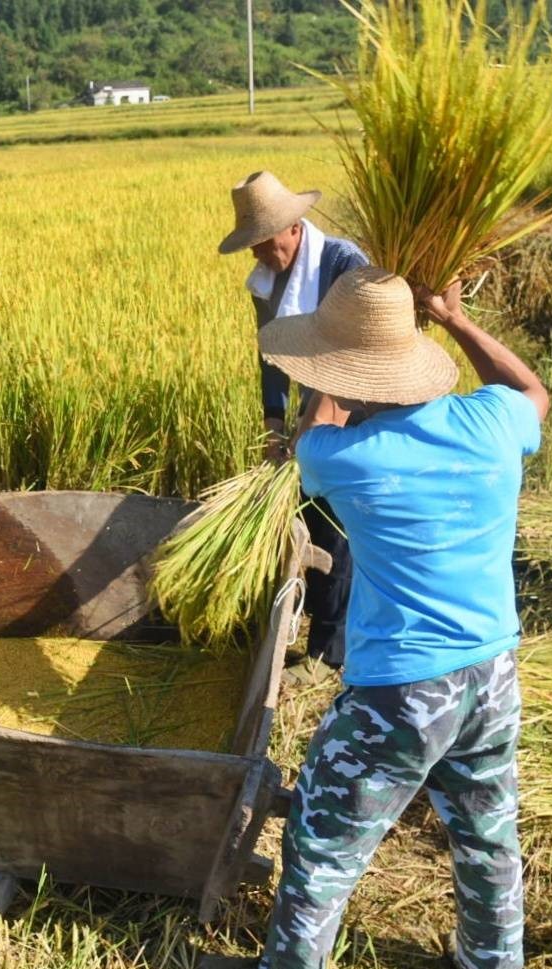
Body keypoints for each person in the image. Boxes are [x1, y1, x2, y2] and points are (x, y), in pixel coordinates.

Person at [196, 266, 549, 969]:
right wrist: (455, 321)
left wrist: (328, 373)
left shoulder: (345, 460)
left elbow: (310, 434)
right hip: (492, 673)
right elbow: (533, 393)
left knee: (325, 838)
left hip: (402, 692)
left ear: (349, 374)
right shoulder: (491, 422)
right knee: (485, 833)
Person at [219, 170, 368, 682]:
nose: (257, 254)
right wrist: (275, 426)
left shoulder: (344, 264)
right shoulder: (265, 282)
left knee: (336, 522)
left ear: (294, 227)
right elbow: (272, 355)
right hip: (312, 404)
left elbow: (355, 350)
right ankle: (297, 627)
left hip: (362, 400)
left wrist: (313, 428)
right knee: (304, 511)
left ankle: (331, 653)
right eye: (251, 245)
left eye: (263, 241)